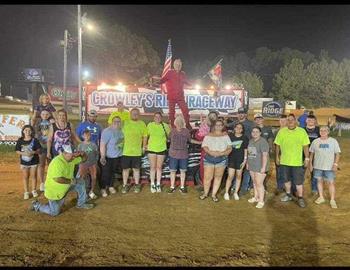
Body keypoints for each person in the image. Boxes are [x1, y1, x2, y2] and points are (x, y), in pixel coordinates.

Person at [29, 144, 94, 216]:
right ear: (64, 153)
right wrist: (71, 181)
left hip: (66, 186)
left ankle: (81, 204)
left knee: (80, 182)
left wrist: (83, 153)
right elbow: (57, 179)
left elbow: (84, 159)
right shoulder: (57, 162)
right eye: (72, 155)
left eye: (74, 155)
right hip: (55, 192)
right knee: (54, 212)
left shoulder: (71, 159)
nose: (74, 157)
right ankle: (37, 205)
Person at [274, 114, 310, 208]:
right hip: (284, 161)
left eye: (292, 120)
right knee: (286, 180)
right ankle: (288, 195)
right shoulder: (282, 131)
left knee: (298, 182)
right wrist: (277, 157)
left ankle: (300, 198)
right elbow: (277, 145)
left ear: (295, 121)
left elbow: (305, 146)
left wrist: (307, 158)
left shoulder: (301, 131)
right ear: (286, 121)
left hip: (297, 162)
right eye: (288, 120)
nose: (290, 121)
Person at [199, 119, 232, 202]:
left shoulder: (226, 136)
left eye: (220, 125)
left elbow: (230, 148)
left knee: (218, 177)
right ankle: (205, 193)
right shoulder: (208, 135)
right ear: (213, 126)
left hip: (221, 159)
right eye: (216, 125)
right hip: (209, 158)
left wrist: (221, 154)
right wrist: (211, 152)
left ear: (222, 126)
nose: (218, 126)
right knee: (207, 178)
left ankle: (213, 194)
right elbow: (204, 146)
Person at [167, 115, 201, 194]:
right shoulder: (172, 131)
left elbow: (190, 140)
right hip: (173, 155)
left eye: (180, 122)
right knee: (173, 171)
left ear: (183, 123)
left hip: (183, 155)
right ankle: (172, 187)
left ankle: (182, 187)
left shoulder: (186, 131)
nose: (179, 124)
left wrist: (199, 142)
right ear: (175, 123)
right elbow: (168, 140)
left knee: (183, 171)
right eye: (178, 122)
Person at [309, 126, 341, 209]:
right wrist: (310, 164)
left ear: (328, 132)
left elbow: (337, 153)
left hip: (329, 167)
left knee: (331, 182)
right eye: (321, 130)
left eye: (324, 130)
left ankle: (332, 200)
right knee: (319, 181)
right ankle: (321, 197)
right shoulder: (315, 141)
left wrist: (335, 164)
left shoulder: (333, 141)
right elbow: (311, 154)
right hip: (318, 166)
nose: (322, 132)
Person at [157, 59, 192, 130]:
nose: (178, 66)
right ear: (174, 65)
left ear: (181, 66)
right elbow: (163, 80)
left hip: (180, 97)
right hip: (171, 97)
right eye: (176, 64)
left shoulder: (183, 74)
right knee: (171, 112)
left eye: (179, 65)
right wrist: (157, 82)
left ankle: (187, 123)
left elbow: (187, 82)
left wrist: (192, 84)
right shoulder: (170, 72)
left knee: (185, 110)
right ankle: (172, 125)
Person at [228, 108, 255, 196]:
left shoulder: (251, 124)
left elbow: (255, 133)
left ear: (246, 114)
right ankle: (234, 186)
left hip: (250, 147)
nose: (241, 115)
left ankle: (246, 187)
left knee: (248, 167)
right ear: (237, 114)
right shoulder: (234, 123)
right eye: (239, 113)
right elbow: (226, 125)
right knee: (237, 169)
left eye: (243, 113)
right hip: (237, 149)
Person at [121, 108, 147, 194]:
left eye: (136, 113)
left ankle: (136, 184)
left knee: (136, 169)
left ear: (139, 115)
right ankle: (125, 185)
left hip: (137, 152)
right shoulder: (125, 123)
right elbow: (120, 135)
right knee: (126, 170)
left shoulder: (142, 124)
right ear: (130, 114)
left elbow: (145, 136)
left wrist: (143, 147)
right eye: (133, 113)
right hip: (126, 151)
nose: (135, 115)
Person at [145, 112, 170, 193]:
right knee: (152, 167)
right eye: (156, 117)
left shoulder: (165, 126)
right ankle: (152, 184)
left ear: (161, 118)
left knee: (159, 167)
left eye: (159, 117)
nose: (157, 118)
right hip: (151, 148)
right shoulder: (150, 125)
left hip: (162, 148)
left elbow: (169, 136)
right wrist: (144, 145)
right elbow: (146, 136)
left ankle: (158, 184)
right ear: (153, 118)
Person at [99, 116, 124, 197]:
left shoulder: (120, 131)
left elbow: (120, 143)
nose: (117, 123)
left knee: (113, 172)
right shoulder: (107, 131)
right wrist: (102, 156)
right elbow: (102, 144)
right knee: (105, 173)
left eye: (119, 121)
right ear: (112, 122)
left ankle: (110, 186)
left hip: (117, 156)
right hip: (108, 156)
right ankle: (103, 188)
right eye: (115, 121)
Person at [223, 123, 249, 201]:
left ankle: (235, 193)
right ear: (234, 128)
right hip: (231, 159)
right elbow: (227, 148)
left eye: (240, 128)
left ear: (242, 130)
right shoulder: (230, 137)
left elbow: (245, 150)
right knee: (230, 176)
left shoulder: (244, 138)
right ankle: (226, 192)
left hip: (240, 160)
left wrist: (245, 160)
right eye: (237, 127)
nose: (238, 129)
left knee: (238, 176)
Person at [15, 125, 42, 200]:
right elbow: (17, 150)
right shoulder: (20, 140)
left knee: (34, 176)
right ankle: (26, 192)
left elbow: (39, 150)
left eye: (29, 130)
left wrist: (33, 152)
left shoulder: (35, 140)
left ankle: (34, 190)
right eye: (26, 130)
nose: (27, 132)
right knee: (25, 176)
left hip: (34, 161)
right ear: (23, 131)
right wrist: (23, 154)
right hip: (24, 162)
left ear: (32, 132)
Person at [247, 127, 270, 209]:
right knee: (254, 182)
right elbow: (250, 154)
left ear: (260, 133)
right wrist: (248, 163)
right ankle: (255, 197)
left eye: (257, 132)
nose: (255, 133)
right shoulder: (251, 141)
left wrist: (263, 167)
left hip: (260, 166)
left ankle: (261, 201)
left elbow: (265, 155)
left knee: (259, 184)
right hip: (252, 165)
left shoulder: (263, 142)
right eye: (253, 132)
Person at [195, 111, 219, 185]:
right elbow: (198, 136)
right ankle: (205, 186)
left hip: (216, 151)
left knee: (215, 170)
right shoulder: (204, 126)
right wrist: (204, 136)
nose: (212, 118)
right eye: (211, 116)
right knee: (203, 168)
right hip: (205, 151)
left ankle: (213, 187)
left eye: (214, 116)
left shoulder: (219, 126)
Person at [77, 130, 99, 199]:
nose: (87, 137)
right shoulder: (80, 145)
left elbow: (96, 154)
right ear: (82, 136)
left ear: (90, 136)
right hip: (83, 164)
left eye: (89, 135)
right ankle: (82, 192)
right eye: (85, 135)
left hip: (92, 164)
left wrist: (95, 162)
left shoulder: (93, 145)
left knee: (94, 177)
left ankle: (91, 191)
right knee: (82, 178)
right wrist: (80, 163)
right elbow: (78, 155)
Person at [35, 109, 51, 192]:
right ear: (41, 115)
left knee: (50, 165)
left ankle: (49, 181)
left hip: (50, 146)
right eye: (43, 114)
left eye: (46, 114)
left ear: (48, 115)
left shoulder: (51, 122)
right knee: (41, 165)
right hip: (41, 146)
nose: (45, 115)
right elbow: (36, 133)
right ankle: (42, 183)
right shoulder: (38, 123)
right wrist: (42, 139)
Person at [304, 114, 320, 195]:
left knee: (314, 170)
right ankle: (299, 187)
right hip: (303, 153)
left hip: (316, 153)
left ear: (315, 121)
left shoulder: (318, 130)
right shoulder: (302, 130)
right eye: (309, 120)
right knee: (301, 170)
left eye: (312, 120)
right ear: (306, 121)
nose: (310, 121)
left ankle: (314, 188)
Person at [274, 114, 287, 193]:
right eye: (281, 121)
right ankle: (280, 186)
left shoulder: (290, 130)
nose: (282, 122)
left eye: (284, 121)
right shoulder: (276, 131)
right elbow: (274, 144)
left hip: (287, 154)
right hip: (279, 154)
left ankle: (288, 187)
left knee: (287, 172)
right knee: (279, 171)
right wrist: (276, 155)